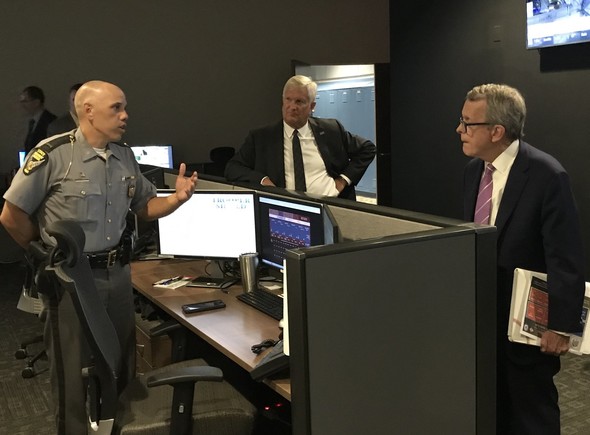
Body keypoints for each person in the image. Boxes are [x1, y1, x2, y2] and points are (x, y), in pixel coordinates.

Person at [1, 80, 198, 434]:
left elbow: (144, 207)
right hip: (72, 280)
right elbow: (11, 215)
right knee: (72, 374)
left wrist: (177, 199)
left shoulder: (124, 156)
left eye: (124, 108)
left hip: (117, 274)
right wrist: (44, 253)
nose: (125, 116)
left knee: (120, 365)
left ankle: (119, 428)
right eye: (117, 108)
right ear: (87, 110)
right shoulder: (53, 154)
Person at [458, 83, 585, 435]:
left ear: (496, 131)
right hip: (483, 317)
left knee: (532, 413)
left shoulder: (547, 175)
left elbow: (566, 256)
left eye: (469, 123)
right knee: (491, 407)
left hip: (527, 323)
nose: (460, 130)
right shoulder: (474, 171)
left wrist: (561, 326)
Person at [224, 75, 376, 200]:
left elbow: (367, 148)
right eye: (288, 99)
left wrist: (343, 180)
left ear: (312, 106)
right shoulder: (261, 137)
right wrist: (262, 180)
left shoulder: (331, 130)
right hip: (284, 210)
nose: (292, 106)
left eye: (299, 101)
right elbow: (233, 168)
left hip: (331, 207)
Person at [19, 85, 57, 152]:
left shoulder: (51, 121)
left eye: (25, 101)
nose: (22, 105)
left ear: (36, 102)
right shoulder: (33, 122)